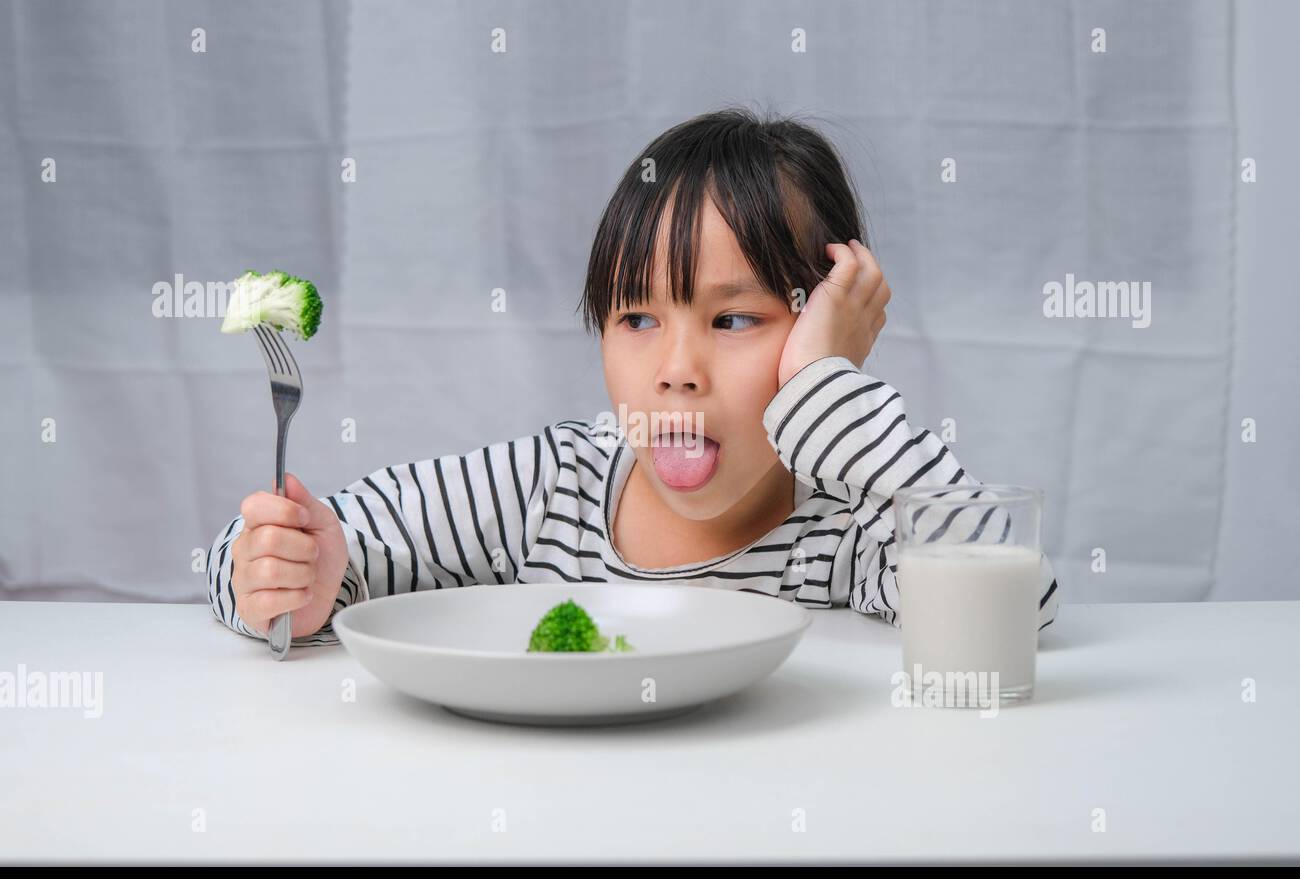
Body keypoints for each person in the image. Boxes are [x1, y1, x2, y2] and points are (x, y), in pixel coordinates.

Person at [208, 107, 1060, 645]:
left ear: (820, 327)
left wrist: (826, 387)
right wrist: (292, 577)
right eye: (638, 319)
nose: (677, 373)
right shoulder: (548, 486)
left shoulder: (840, 532)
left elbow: (1011, 606)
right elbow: (279, 552)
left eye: (734, 320)